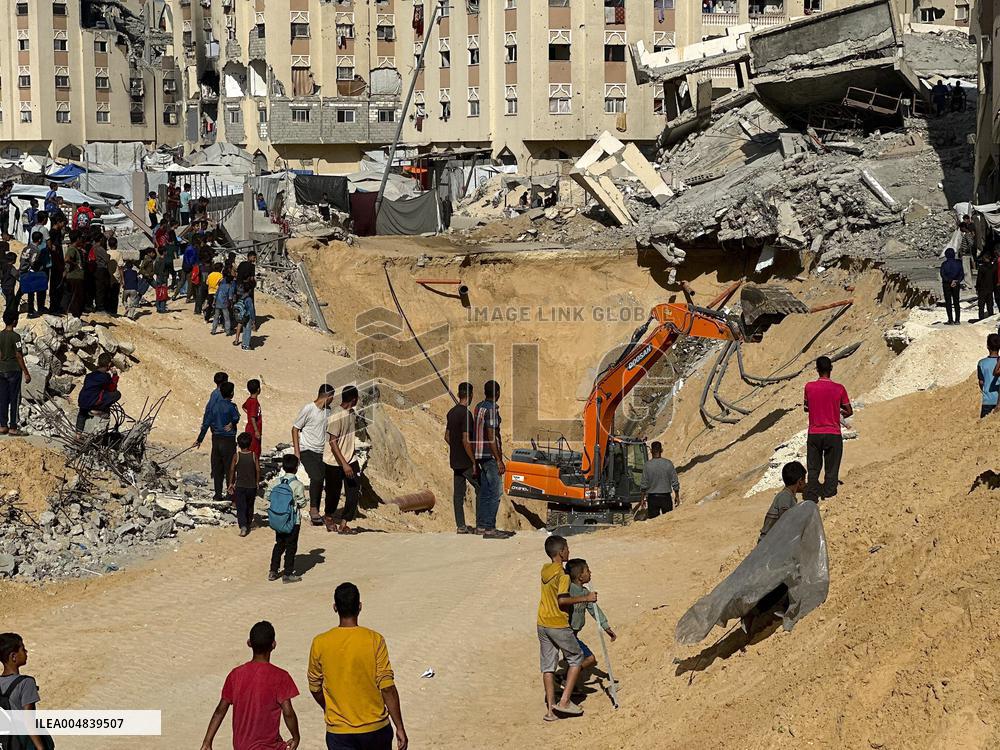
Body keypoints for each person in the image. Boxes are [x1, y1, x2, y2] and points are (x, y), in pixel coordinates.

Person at [307, 582, 408, 750]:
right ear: (360, 607)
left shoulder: (320, 642)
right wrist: (399, 726)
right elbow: (387, 687)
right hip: (376, 728)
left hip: (339, 733)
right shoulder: (375, 640)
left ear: (335, 608)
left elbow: (315, 687)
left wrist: (329, 708)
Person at [199, 621, 301, 750]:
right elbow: (288, 712)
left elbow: (220, 711)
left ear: (249, 643)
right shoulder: (281, 676)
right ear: (273, 645)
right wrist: (296, 737)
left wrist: (207, 741)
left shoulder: (235, 675)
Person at [537, 535, 594, 720]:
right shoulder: (562, 576)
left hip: (542, 622)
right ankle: (564, 702)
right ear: (561, 552)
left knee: (548, 666)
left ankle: (550, 711)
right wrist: (585, 598)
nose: (569, 551)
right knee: (576, 658)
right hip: (558, 624)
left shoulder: (545, 570)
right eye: (567, 549)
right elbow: (562, 600)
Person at [803, 356, 852, 503]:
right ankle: (829, 495)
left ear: (817, 370)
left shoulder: (809, 387)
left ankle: (811, 495)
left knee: (813, 467)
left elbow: (806, 408)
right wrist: (838, 413)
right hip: (833, 434)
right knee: (832, 468)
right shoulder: (839, 388)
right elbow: (849, 411)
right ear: (831, 369)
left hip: (814, 433)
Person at [472, 380, 513, 538]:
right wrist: (498, 459)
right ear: (497, 393)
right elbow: (491, 436)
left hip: (479, 454)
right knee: (495, 492)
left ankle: (481, 526)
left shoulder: (478, 407)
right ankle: (490, 528)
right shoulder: (492, 410)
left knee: (484, 492)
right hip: (490, 455)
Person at [565, 559, 615, 685]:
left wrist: (606, 628)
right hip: (567, 633)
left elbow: (595, 611)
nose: (590, 572)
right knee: (590, 659)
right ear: (581, 576)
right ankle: (568, 678)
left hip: (573, 634)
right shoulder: (569, 590)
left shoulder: (586, 593)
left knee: (575, 660)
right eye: (587, 570)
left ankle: (568, 679)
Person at [293, 384, 336, 526]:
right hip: (307, 450)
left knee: (322, 478)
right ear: (327, 396)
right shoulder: (308, 409)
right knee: (316, 477)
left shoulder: (328, 411)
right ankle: (313, 509)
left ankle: (317, 510)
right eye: (332, 397)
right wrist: (297, 452)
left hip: (320, 451)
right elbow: (295, 429)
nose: (332, 400)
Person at [0, 633, 52, 750]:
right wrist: (40, 748)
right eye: (23, 649)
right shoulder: (26, 683)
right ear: (13, 656)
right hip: (23, 743)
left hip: (6, 743)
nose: (26, 652)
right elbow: (29, 721)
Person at [322, 385, 362, 535]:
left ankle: (344, 523)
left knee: (354, 491)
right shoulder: (336, 415)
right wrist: (344, 464)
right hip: (334, 461)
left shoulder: (351, 413)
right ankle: (328, 516)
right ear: (353, 399)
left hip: (350, 458)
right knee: (334, 493)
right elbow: (333, 442)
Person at [196, 380, 241, 501]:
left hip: (216, 440)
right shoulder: (232, 407)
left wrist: (200, 439)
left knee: (217, 468)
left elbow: (206, 424)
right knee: (229, 467)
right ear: (232, 393)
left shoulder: (214, 407)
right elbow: (237, 417)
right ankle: (230, 494)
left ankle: (217, 494)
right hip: (228, 440)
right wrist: (232, 423)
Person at [267, 453, 307, 583]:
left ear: (283, 467)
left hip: (278, 518)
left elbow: (268, 496)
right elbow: (302, 503)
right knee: (291, 546)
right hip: (293, 521)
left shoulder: (276, 482)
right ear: (296, 468)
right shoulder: (297, 484)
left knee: (279, 544)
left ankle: (273, 571)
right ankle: (288, 574)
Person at [445, 381, 477, 534]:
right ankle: (483, 523)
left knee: (458, 494)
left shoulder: (451, 413)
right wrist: (473, 461)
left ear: (459, 394)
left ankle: (461, 526)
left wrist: (455, 448)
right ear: (470, 396)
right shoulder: (466, 414)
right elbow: (466, 440)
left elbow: (447, 437)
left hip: (455, 461)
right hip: (466, 461)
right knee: (482, 488)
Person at [758, 461, 807, 541]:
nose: (805, 484)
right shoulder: (785, 496)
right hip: (768, 544)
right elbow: (786, 521)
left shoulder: (788, 496)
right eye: (804, 480)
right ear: (800, 481)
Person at [0, 308, 30, 437]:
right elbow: (18, 355)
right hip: (14, 370)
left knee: (2, 398)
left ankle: (2, 426)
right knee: (14, 399)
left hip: (1, 370)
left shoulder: (0, 335)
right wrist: (26, 372)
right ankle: (13, 427)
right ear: (14, 321)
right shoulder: (16, 337)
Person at [76, 352, 121, 432]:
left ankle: (78, 434)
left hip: (82, 401)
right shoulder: (105, 377)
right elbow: (112, 389)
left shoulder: (89, 375)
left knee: (82, 414)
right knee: (117, 394)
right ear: (109, 364)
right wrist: (114, 375)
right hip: (92, 403)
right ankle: (96, 411)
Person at [638, 440, 680, 518]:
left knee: (654, 523)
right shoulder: (668, 463)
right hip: (666, 498)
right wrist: (677, 496)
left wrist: (642, 499)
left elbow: (644, 484)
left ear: (651, 451)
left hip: (652, 499)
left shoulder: (647, 465)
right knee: (667, 521)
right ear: (661, 450)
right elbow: (675, 481)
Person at [229, 432, 260, 537]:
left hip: (240, 486)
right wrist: (257, 482)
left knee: (241, 507)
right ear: (250, 443)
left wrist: (230, 483)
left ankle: (243, 526)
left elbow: (232, 470)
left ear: (238, 444)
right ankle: (248, 523)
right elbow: (258, 470)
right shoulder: (253, 455)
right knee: (250, 506)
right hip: (251, 486)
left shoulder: (236, 456)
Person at [63, 232, 85, 318]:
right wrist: (75, 264)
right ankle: (76, 316)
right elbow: (67, 259)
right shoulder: (72, 249)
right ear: (77, 239)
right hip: (74, 276)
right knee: (76, 298)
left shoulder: (75, 249)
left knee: (78, 297)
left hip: (76, 276)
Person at [977, 333, 1000, 418]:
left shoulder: (981, 363)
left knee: (984, 427)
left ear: (987, 346)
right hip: (999, 401)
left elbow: (981, 382)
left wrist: (984, 389)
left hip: (988, 401)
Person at [940, 247, 964, 325]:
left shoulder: (944, 264)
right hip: (956, 284)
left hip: (947, 284)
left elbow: (943, 275)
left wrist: (950, 281)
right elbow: (962, 274)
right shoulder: (958, 263)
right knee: (956, 302)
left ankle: (950, 320)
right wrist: (956, 281)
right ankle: (957, 320)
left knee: (948, 302)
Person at [243, 379, 263, 460]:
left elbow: (244, 407)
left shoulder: (250, 399)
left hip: (250, 429)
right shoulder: (254, 402)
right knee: (255, 452)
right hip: (253, 431)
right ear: (258, 389)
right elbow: (252, 417)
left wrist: (249, 413)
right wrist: (256, 431)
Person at [233, 280, 255, 351]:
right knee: (247, 331)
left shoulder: (241, 297)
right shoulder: (249, 299)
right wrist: (253, 319)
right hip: (247, 316)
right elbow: (251, 310)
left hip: (242, 316)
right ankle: (246, 345)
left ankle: (243, 343)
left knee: (244, 329)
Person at [212, 270, 235, 335]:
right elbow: (230, 298)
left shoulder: (221, 286)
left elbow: (216, 295)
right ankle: (227, 331)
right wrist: (231, 304)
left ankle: (213, 330)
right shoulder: (230, 287)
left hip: (217, 303)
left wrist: (214, 302)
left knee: (216, 317)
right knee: (227, 318)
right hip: (224, 304)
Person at [977, 251, 996, 320]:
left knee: (981, 305)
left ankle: (981, 318)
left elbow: (979, 279)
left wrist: (977, 288)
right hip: (990, 288)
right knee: (990, 304)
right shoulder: (993, 267)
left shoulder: (982, 268)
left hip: (982, 289)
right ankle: (990, 317)